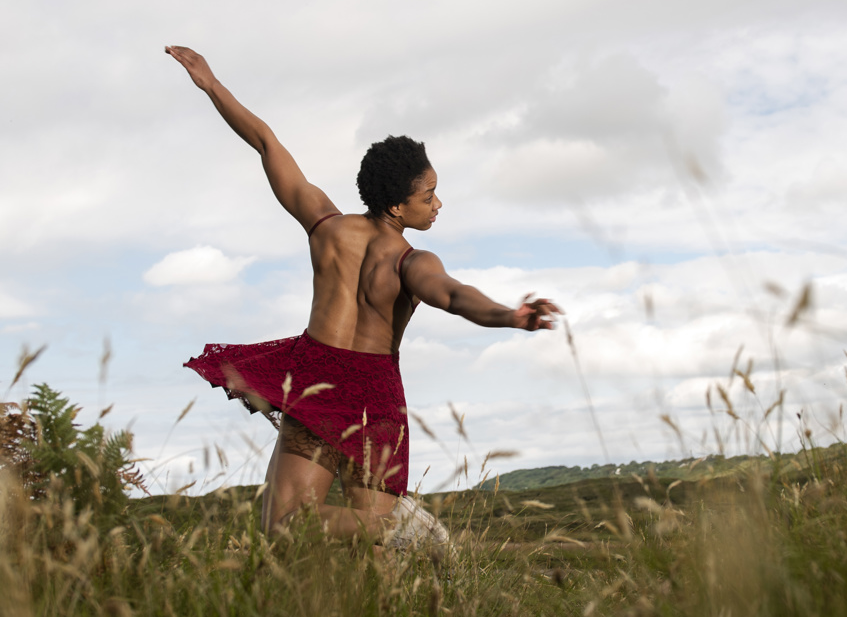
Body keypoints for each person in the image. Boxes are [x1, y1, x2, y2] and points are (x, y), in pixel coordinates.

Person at [166, 46, 561, 546]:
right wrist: (511, 316)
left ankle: (397, 532)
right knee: (360, 545)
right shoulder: (411, 262)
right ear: (397, 204)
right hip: (372, 393)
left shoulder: (325, 226)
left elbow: (266, 143)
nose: (437, 204)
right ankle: (404, 529)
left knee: (284, 525)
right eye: (427, 196)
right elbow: (454, 296)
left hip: (319, 382)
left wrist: (212, 85)